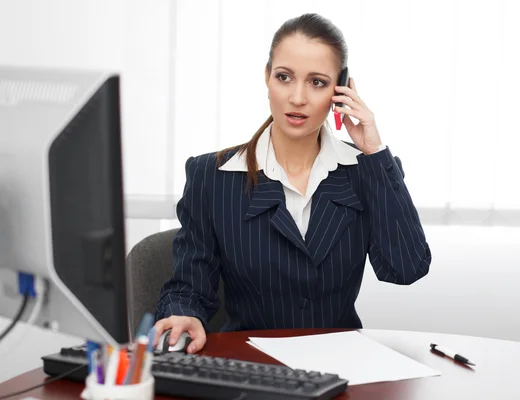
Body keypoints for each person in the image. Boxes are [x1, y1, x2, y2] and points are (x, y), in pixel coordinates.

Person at [153, 13, 431, 353]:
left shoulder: (365, 171)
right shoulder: (210, 176)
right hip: (248, 365)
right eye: (284, 77)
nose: (297, 97)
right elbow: (189, 287)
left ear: (340, 90)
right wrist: (184, 315)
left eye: (317, 82)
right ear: (267, 77)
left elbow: (405, 268)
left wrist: (374, 151)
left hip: (342, 365)